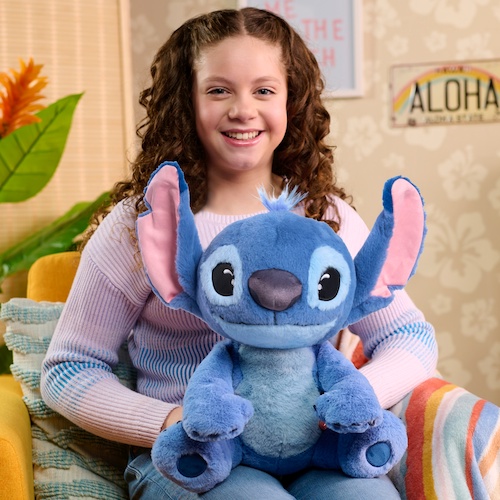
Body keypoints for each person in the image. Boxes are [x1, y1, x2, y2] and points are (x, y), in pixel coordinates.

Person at [41, 7, 437, 499]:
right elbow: (69, 369)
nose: (243, 109)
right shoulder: (143, 223)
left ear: (292, 101)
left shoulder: (325, 217)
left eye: (264, 90)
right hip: (197, 458)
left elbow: (408, 335)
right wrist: (172, 420)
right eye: (218, 90)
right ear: (185, 101)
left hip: (316, 448)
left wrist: (350, 400)